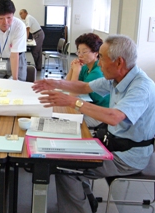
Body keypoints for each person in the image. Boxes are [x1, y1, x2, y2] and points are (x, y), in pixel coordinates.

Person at [31, 34, 155, 213]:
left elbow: (114, 117)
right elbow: (84, 87)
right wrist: (54, 83)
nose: (99, 61)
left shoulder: (141, 87)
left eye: (102, 57)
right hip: (111, 143)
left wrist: (73, 102)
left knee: (65, 168)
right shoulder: (118, 77)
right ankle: (84, 200)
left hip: (127, 156)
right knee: (65, 154)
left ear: (119, 62)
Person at [66, 33, 109, 127]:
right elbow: (67, 86)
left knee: (70, 121)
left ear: (96, 53)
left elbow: (73, 94)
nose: (80, 55)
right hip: (90, 107)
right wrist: (72, 68)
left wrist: (76, 71)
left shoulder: (97, 72)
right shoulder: (86, 67)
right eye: (78, 52)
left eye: (84, 52)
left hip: (101, 114)